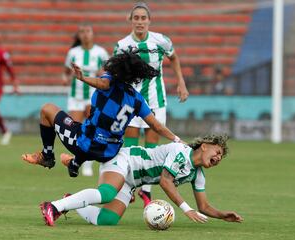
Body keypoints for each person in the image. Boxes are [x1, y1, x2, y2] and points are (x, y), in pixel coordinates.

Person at [22, 49, 182, 178]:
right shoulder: (137, 99)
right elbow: (156, 125)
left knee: (47, 109)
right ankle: (74, 164)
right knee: (92, 127)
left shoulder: (109, 80)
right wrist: (176, 139)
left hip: (86, 144)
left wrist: (83, 78)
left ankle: (47, 156)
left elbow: (102, 83)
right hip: (110, 152)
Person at [38, 134, 243, 227]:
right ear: (205, 145)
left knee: (107, 221)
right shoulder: (181, 151)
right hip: (124, 160)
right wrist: (185, 208)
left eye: (220, 158)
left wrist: (223, 215)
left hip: (131, 181)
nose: (217, 158)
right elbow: (165, 181)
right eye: (217, 152)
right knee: (107, 193)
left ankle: (72, 201)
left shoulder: (197, 174)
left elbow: (204, 206)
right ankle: (54, 206)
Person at [113, 2, 190, 206]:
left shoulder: (161, 41)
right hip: (130, 102)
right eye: (136, 18)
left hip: (156, 101)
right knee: (129, 146)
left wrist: (181, 82)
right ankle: (128, 186)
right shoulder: (122, 45)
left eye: (143, 18)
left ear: (149, 20)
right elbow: (115, 72)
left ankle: (146, 190)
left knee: (152, 146)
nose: (140, 21)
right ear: (131, 20)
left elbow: (174, 58)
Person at [63, 25, 109, 176]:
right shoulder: (73, 53)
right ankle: (77, 160)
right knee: (75, 130)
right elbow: (66, 71)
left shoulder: (100, 52)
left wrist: (101, 73)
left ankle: (88, 164)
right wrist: (66, 78)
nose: (85, 34)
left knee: (91, 129)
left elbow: (108, 72)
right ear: (79, 35)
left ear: (93, 33)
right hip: (75, 95)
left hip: (92, 95)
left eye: (88, 31)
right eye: (82, 32)